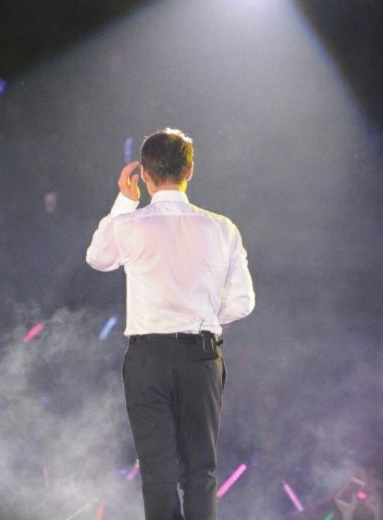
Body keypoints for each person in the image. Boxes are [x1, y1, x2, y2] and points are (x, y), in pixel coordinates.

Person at [86, 128, 255, 520]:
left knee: (158, 473)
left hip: (148, 360)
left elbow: (97, 257)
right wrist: (204, 316)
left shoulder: (131, 224)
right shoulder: (222, 228)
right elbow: (243, 301)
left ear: (144, 175)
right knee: (200, 471)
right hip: (201, 357)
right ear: (189, 171)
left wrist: (125, 201)